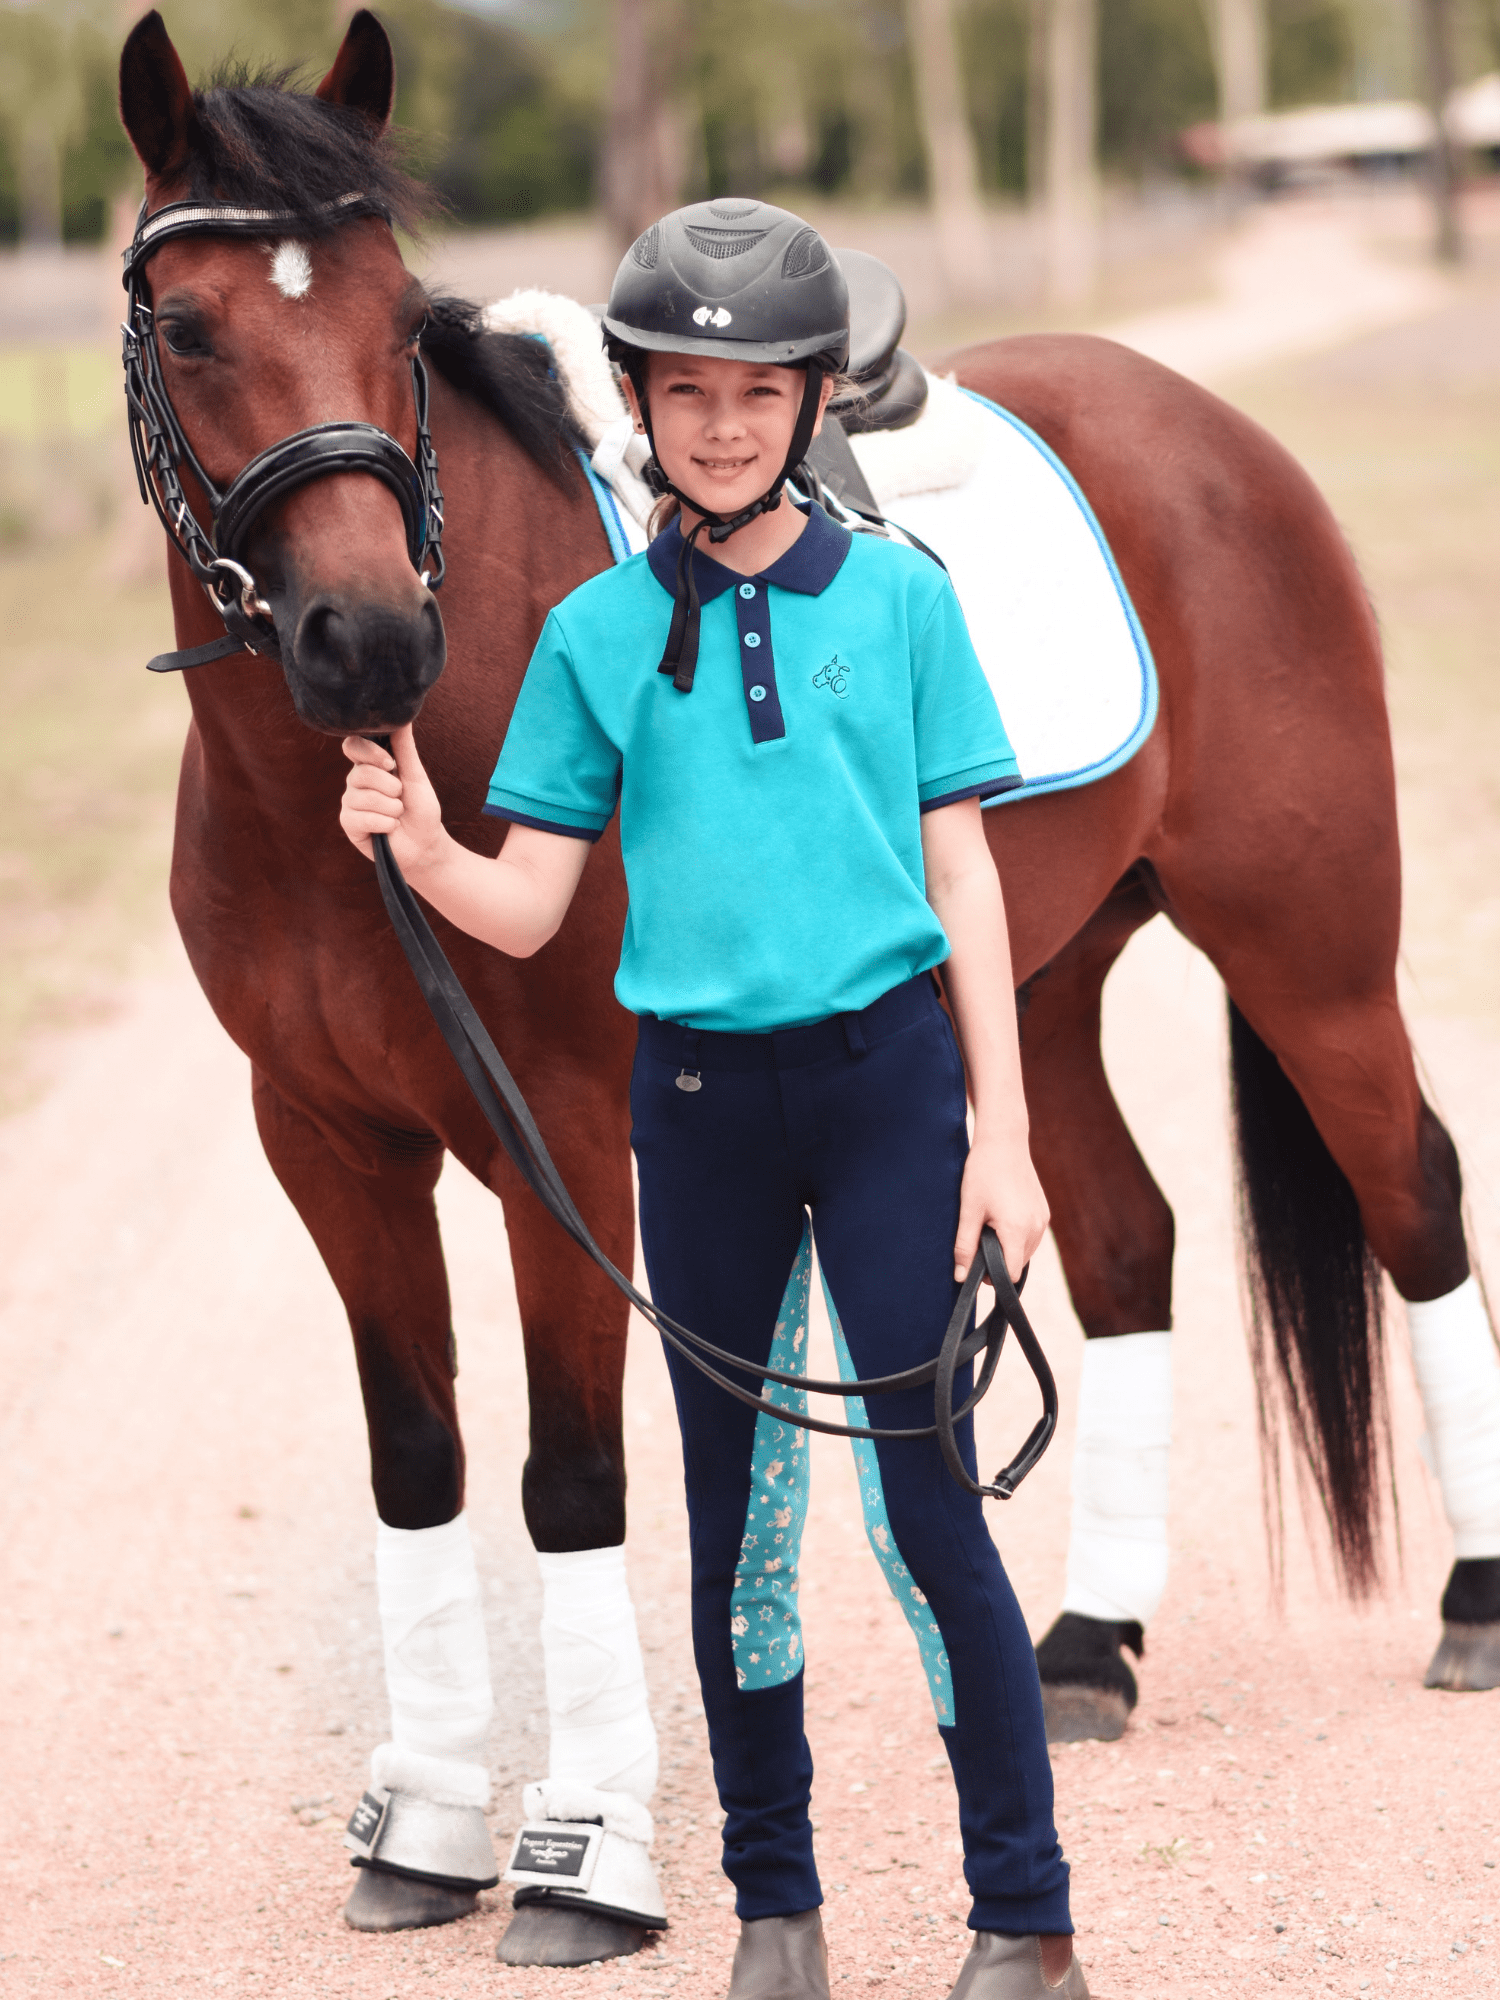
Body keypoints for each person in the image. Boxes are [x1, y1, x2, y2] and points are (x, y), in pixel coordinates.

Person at [340, 201, 1088, 2000]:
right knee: (737, 1529)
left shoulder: (902, 600)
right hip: (695, 1111)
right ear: (642, 404)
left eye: (759, 394)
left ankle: (1028, 1916)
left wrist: (1007, 1130)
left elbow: (964, 875)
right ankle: (777, 1908)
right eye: (689, 394)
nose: (726, 425)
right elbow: (527, 905)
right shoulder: (600, 637)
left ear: (812, 399)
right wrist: (426, 844)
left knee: (928, 1514)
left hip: (892, 1087)